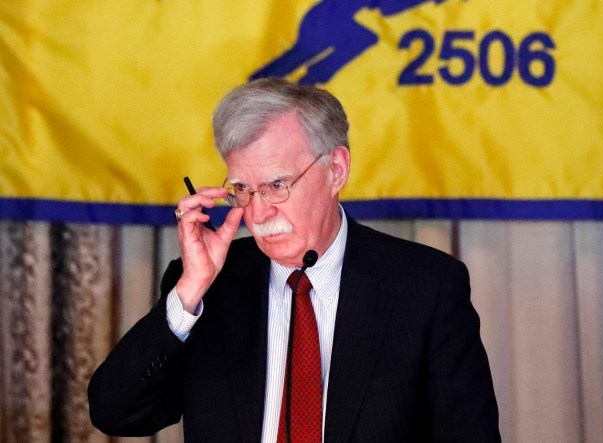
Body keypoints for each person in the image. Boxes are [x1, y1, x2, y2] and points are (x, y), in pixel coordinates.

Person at [88, 78, 500, 442]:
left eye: (277, 184)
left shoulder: (425, 287)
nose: (259, 212)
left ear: (336, 169)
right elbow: (115, 412)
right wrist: (189, 293)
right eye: (244, 189)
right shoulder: (208, 286)